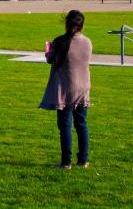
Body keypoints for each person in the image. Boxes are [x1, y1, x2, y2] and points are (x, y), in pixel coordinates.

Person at [40, 10, 92, 169]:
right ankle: (83, 160)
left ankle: (66, 162)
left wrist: (48, 51)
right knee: (81, 124)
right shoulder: (87, 42)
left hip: (64, 89)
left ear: (66, 23)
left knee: (65, 126)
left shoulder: (60, 41)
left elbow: (51, 60)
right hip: (83, 87)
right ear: (82, 25)